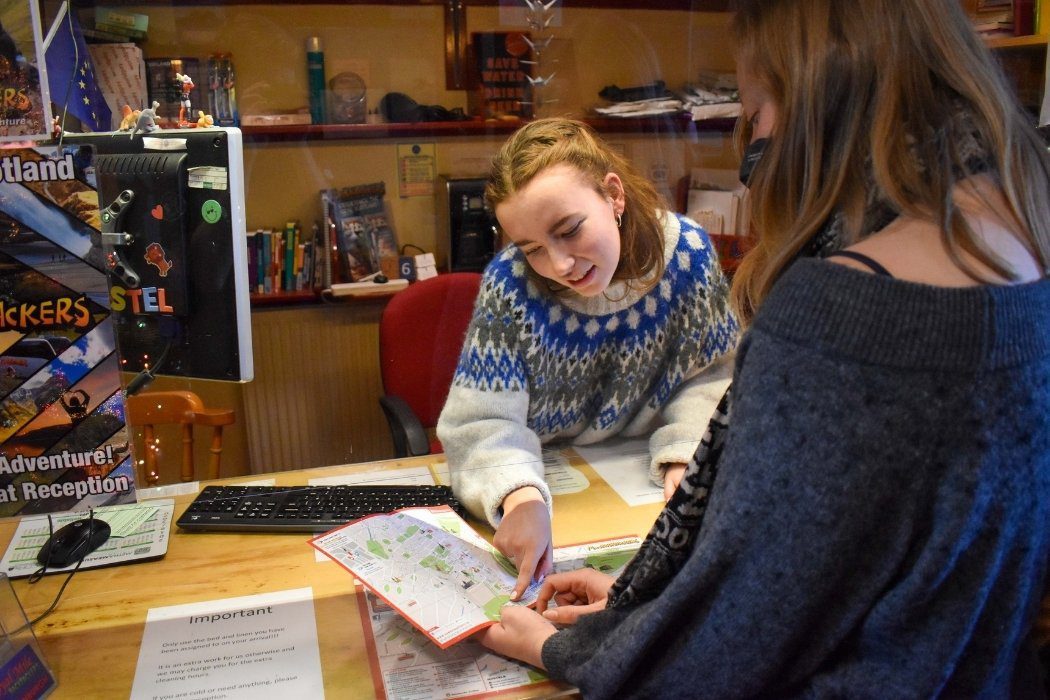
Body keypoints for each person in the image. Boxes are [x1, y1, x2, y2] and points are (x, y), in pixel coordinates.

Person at [473, 0, 1050, 696]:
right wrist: (647, 602)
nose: (754, 141)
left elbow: (735, 639)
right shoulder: (1022, 235)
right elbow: (843, 567)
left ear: (817, 97)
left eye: (756, 110)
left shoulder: (832, 314)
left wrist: (574, 650)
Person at [436, 118, 740, 599]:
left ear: (614, 195)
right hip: (553, 491)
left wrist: (689, 455)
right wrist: (518, 496)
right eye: (532, 249)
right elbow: (482, 421)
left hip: (641, 488)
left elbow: (710, 378)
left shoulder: (689, 255)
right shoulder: (510, 286)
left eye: (569, 230)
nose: (559, 265)